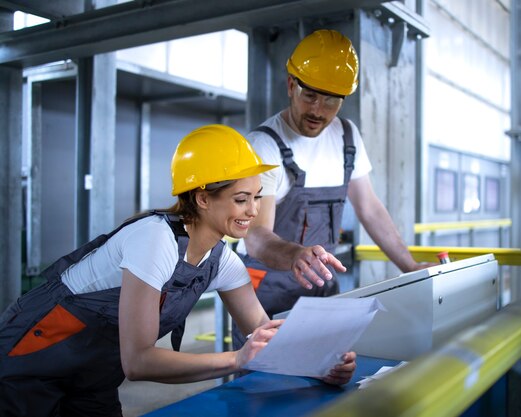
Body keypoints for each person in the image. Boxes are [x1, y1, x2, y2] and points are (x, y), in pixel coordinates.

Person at [0, 124, 356, 417]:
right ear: (202, 199)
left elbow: (263, 333)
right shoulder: (153, 239)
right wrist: (237, 358)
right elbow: (138, 361)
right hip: (30, 363)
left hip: (92, 375)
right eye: (241, 199)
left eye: (257, 197)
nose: (252, 210)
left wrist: (321, 364)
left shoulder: (223, 260)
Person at [233, 29, 431, 348]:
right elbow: (255, 235)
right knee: (263, 385)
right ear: (290, 85)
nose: (318, 111)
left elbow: (369, 207)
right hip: (265, 292)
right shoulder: (264, 146)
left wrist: (408, 266)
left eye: (331, 100)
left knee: (329, 376)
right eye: (309, 95)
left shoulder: (347, 138)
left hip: (319, 286)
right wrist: (296, 255)